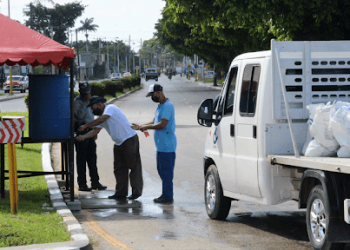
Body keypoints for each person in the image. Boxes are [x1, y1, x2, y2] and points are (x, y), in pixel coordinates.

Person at [76, 96, 143, 200]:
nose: (92, 110)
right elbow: (95, 131)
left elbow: (101, 120)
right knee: (119, 169)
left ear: (99, 105)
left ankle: (136, 192)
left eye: (92, 107)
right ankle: (120, 193)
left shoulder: (110, 108)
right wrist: (83, 137)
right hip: (118, 143)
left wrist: (85, 126)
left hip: (129, 139)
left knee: (133, 166)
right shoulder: (102, 116)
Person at [133, 84, 177, 204]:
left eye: (152, 95)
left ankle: (167, 197)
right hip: (160, 146)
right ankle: (165, 194)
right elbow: (154, 121)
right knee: (162, 171)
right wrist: (141, 126)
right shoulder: (160, 106)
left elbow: (162, 124)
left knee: (166, 172)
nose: (152, 97)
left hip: (167, 147)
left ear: (158, 92)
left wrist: (146, 127)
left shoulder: (167, 106)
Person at [74, 83, 106, 191]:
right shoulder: (77, 102)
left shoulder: (91, 100)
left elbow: (93, 116)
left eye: (88, 91)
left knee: (92, 158)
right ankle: (82, 184)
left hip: (90, 132)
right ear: (80, 91)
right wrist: (86, 103)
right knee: (81, 159)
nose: (87, 94)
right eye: (84, 92)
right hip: (81, 131)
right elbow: (79, 116)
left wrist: (94, 132)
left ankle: (95, 182)